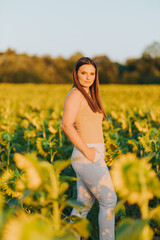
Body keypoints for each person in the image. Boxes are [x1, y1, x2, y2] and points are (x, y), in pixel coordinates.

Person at [62, 57, 117, 240]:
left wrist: (100, 150)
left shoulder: (89, 94)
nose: (88, 77)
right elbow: (67, 125)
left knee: (83, 204)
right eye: (83, 73)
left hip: (92, 154)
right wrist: (88, 151)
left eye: (92, 74)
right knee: (109, 200)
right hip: (86, 155)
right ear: (76, 74)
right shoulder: (76, 94)